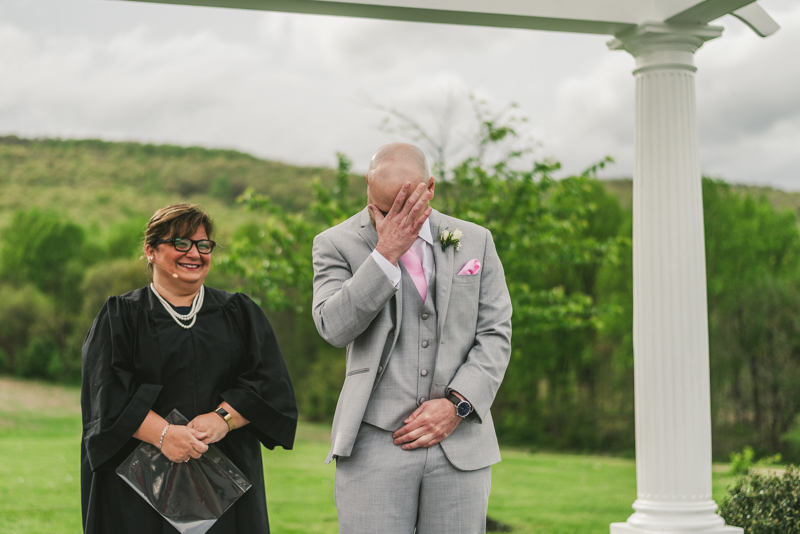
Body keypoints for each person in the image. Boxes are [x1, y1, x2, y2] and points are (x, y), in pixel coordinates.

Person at [312, 143, 512, 533]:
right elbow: (333, 328)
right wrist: (384, 254)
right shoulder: (335, 243)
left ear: (429, 189)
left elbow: (496, 333)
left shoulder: (476, 241)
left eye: (403, 208)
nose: (388, 220)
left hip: (460, 446)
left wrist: (457, 405)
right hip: (373, 446)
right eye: (381, 208)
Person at [80, 203, 297, 534]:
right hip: (137, 488)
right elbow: (106, 394)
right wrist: (165, 435)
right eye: (180, 243)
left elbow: (269, 385)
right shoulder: (121, 317)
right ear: (150, 251)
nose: (194, 253)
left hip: (225, 485)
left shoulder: (238, 314)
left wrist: (222, 420)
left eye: (203, 244)